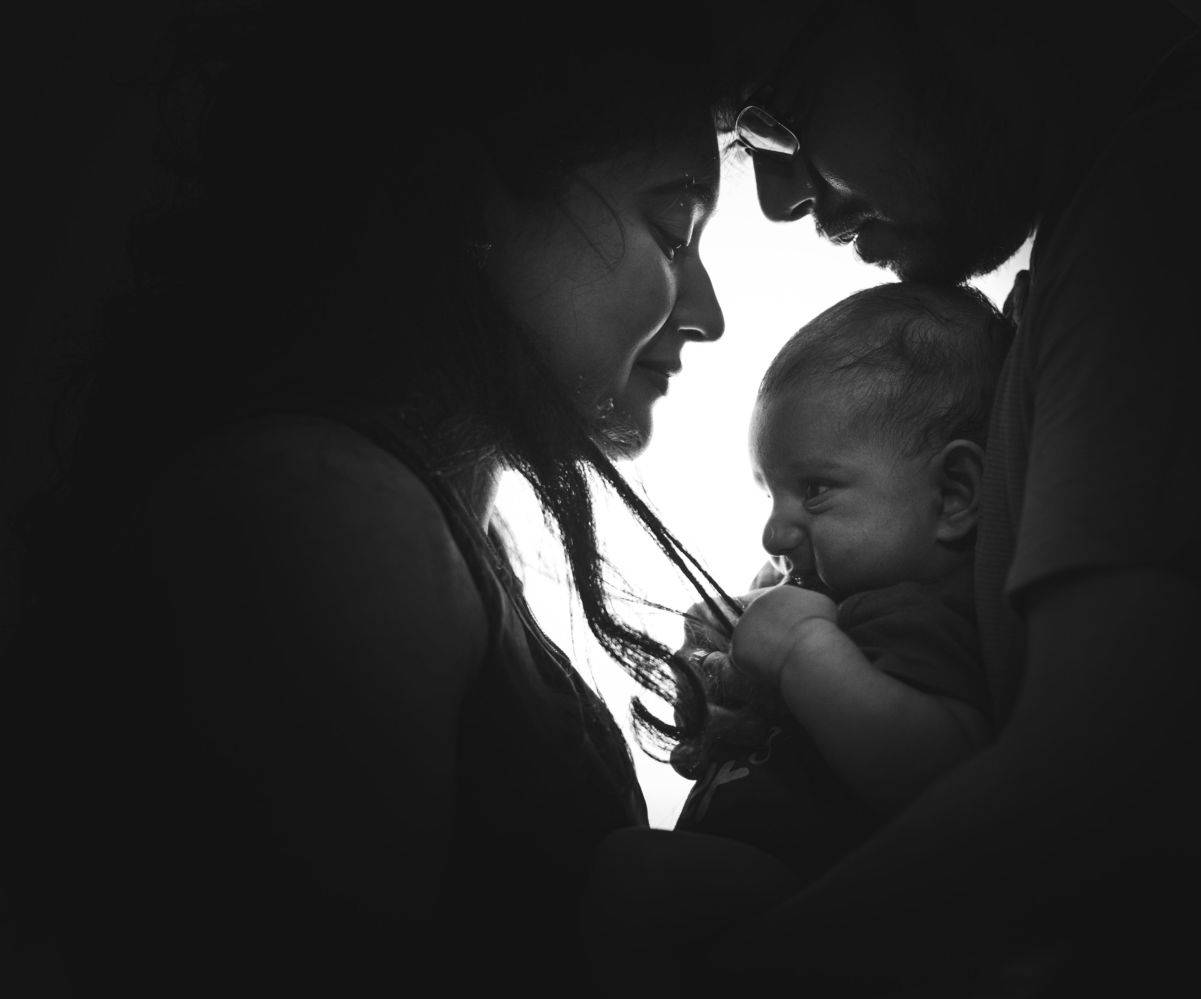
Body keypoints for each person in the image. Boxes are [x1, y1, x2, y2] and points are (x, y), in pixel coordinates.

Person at [684, 0, 1201, 995]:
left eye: (780, 109)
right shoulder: (1130, 209)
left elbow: (1113, 793)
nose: (777, 197)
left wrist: (734, 974)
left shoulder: (1188, 198)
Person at [0, 4, 741, 995]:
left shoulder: (405, 521)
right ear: (468, 200)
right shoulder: (326, 513)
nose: (709, 314)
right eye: (673, 230)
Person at [672, 282, 1012, 880]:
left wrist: (801, 651)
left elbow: (949, 780)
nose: (773, 535)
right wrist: (716, 678)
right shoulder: (825, 589)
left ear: (953, 494)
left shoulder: (919, 613)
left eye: (815, 490)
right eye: (770, 493)